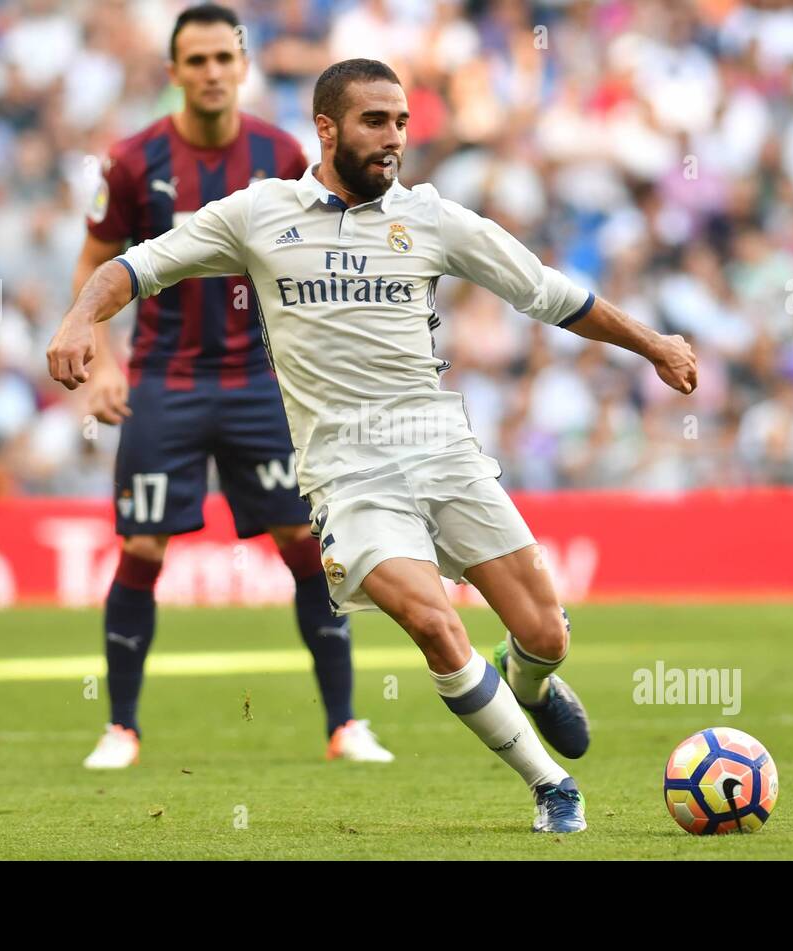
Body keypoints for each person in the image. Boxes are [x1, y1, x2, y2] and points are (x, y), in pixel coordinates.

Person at [49, 58, 698, 832]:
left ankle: (524, 681)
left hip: (441, 450)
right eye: (374, 122)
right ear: (326, 128)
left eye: (400, 122)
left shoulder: (431, 218)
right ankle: (552, 785)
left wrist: (653, 343)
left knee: (546, 633)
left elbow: (552, 293)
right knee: (433, 623)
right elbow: (135, 265)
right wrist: (78, 319)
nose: (393, 139)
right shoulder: (259, 215)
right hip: (346, 473)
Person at [73, 9, 392, 770]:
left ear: (243, 66)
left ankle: (344, 724)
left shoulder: (280, 154)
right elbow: (96, 260)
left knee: (308, 547)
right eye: (196, 59)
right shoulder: (130, 160)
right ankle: (121, 728)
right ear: (174, 70)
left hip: (259, 383)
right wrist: (102, 361)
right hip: (162, 380)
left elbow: (315, 259)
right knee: (143, 545)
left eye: (224, 57)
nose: (211, 71)